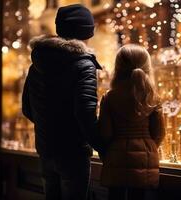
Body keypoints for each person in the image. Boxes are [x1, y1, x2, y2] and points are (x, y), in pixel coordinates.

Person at [22, 4, 102, 200]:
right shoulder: (83, 65)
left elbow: (27, 108)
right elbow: (85, 113)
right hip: (73, 153)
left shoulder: (37, 64)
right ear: (85, 32)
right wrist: (103, 147)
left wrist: (48, 128)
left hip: (46, 150)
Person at [98, 44, 165, 200]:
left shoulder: (109, 97)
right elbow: (159, 133)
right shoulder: (153, 97)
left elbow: (105, 133)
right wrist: (147, 146)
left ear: (118, 68)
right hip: (145, 159)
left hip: (116, 157)